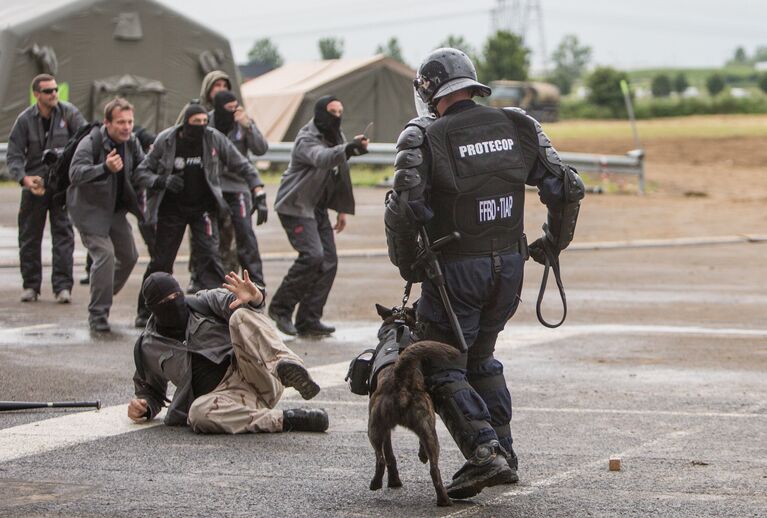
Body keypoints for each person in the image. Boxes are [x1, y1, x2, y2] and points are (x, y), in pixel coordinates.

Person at [384, 48, 585, 499]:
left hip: (456, 270)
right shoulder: (518, 125)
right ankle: (505, 454)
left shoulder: (423, 135)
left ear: (430, 91)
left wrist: (408, 265)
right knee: (481, 357)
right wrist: (553, 243)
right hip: (509, 269)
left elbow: (403, 213)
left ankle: (483, 452)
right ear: (472, 84)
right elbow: (568, 187)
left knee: (439, 362)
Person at [128, 270, 329, 434]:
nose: (174, 302)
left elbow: (243, 301)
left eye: (176, 296)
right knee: (197, 414)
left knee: (241, 315)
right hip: (228, 400)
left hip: (257, 373)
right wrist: (144, 407)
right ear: (153, 308)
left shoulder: (203, 303)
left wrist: (256, 297)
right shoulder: (147, 347)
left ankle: (286, 366)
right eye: (165, 301)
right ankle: (290, 419)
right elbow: (150, 391)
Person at [131, 104, 264, 328]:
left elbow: (242, 165)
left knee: (210, 258)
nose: (201, 127)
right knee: (162, 261)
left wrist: (257, 190)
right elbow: (141, 172)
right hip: (171, 210)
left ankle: (215, 309)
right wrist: (161, 181)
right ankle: (146, 310)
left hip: (203, 208)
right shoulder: (167, 140)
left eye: (205, 122)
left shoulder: (214, 139)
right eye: (196, 123)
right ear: (185, 124)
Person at [267, 96, 368, 337]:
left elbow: (341, 173)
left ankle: (309, 319)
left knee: (329, 261)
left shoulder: (337, 137)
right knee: (313, 255)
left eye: (341, 111)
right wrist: (347, 149)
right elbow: (322, 158)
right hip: (296, 205)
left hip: (317, 208)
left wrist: (342, 209)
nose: (337, 116)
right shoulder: (306, 138)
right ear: (321, 113)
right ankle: (280, 308)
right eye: (333, 111)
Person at [6, 73, 86, 303]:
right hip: (35, 186)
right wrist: (24, 179)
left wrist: (72, 173)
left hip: (60, 187)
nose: (54, 94)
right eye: (48, 91)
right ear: (37, 95)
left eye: (55, 90)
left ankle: (62, 287)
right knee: (30, 237)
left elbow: (85, 140)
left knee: (63, 236)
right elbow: (13, 154)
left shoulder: (69, 113)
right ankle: (31, 286)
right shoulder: (24, 120)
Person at [67, 98, 144, 332]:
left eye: (130, 122)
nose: (127, 127)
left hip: (114, 211)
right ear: (107, 123)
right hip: (89, 211)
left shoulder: (132, 142)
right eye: (121, 122)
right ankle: (98, 315)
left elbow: (142, 168)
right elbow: (75, 173)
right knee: (105, 256)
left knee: (129, 256)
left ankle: (101, 293)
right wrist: (104, 168)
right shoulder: (91, 142)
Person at [208, 89, 269, 286]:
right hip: (213, 185)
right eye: (229, 109)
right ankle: (209, 282)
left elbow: (261, 148)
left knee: (245, 233)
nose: (233, 113)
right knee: (211, 237)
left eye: (236, 108)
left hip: (238, 185)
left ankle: (257, 285)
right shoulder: (207, 122)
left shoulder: (242, 122)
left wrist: (248, 126)